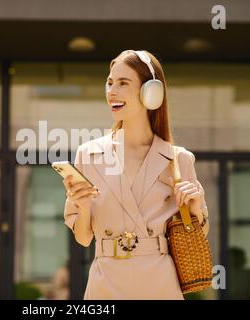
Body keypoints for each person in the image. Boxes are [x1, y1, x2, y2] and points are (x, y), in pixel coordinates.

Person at [62, 50, 210, 300]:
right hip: (105, 283)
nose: (112, 91)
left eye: (122, 83)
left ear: (150, 92)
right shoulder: (88, 155)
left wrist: (194, 207)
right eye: (109, 82)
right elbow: (83, 238)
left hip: (159, 283)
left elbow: (198, 235)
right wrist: (84, 205)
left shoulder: (179, 159)